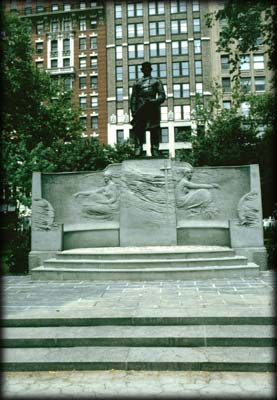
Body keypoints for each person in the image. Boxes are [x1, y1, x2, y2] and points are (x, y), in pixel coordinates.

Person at [130, 61, 166, 157]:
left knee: (154, 130)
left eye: (148, 68)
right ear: (142, 70)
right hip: (140, 110)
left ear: (150, 70)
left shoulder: (156, 81)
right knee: (139, 129)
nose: (146, 70)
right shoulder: (137, 83)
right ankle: (138, 147)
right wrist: (133, 111)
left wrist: (154, 101)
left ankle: (154, 149)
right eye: (144, 69)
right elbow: (133, 98)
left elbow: (162, 96)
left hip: (153, 110)